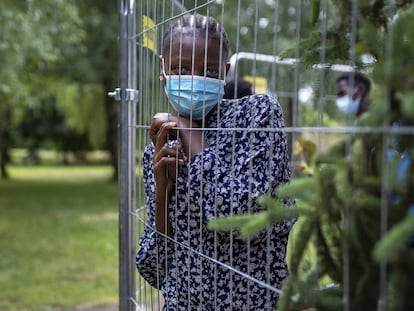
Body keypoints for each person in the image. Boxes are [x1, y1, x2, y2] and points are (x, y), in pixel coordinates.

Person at [136, 13, 296, 310]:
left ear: (224, 72)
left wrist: (188, 129)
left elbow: (240, 216)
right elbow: (155, 270)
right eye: (181, 68)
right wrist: (162, 193)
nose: (194, 79)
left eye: (208, 70)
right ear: (163, 69)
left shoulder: (256, 116)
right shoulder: (160, 147)